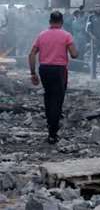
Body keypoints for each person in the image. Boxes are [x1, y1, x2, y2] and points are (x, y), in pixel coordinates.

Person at [28, 11, 79, 144]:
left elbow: (31, 54)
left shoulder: (41, 35)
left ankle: (51, 126)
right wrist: (72, 48)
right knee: (57, 100)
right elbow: (74, 54)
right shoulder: (66, 35)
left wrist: (33, 73)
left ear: (50, 22)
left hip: (44, 69)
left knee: (48, 97)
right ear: (61, 22)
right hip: (59, 70)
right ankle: (53, 133)